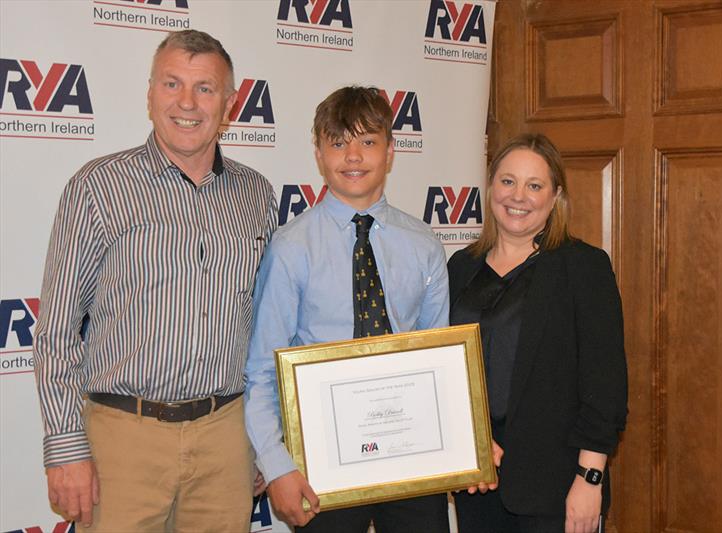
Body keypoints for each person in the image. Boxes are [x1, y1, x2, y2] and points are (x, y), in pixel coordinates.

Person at [32, 30, 278, 532]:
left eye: (205, 88)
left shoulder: (257, 194)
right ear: (149, 94)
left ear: (229, 104)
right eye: (172, 84)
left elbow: (267, 329)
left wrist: (266, 439)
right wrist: (64, 446)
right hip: (122, 441)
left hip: (226, 439)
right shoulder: (98, 187)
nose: (187, 103)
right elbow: (56, 330)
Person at [244, 86, 450, 532]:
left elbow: (440, 362)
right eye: (338, 142)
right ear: (319, 153)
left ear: (391, 151)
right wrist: (276, 465)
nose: (352, 156)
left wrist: (458, 443)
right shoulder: (291, 248)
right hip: (323, 464)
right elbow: (262, 370)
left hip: (413, 460)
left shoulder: (424, 245)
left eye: (368, 141)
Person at [448, 133, 628, 533]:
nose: (518, 196)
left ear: (555, 196)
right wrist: (468, 441)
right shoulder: (460, 267)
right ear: (491, 186)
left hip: (558, 486)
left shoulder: (583, 267)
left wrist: (590, 479)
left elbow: (606, 384)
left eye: (535, 185)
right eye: (508, 181)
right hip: (479, 481)